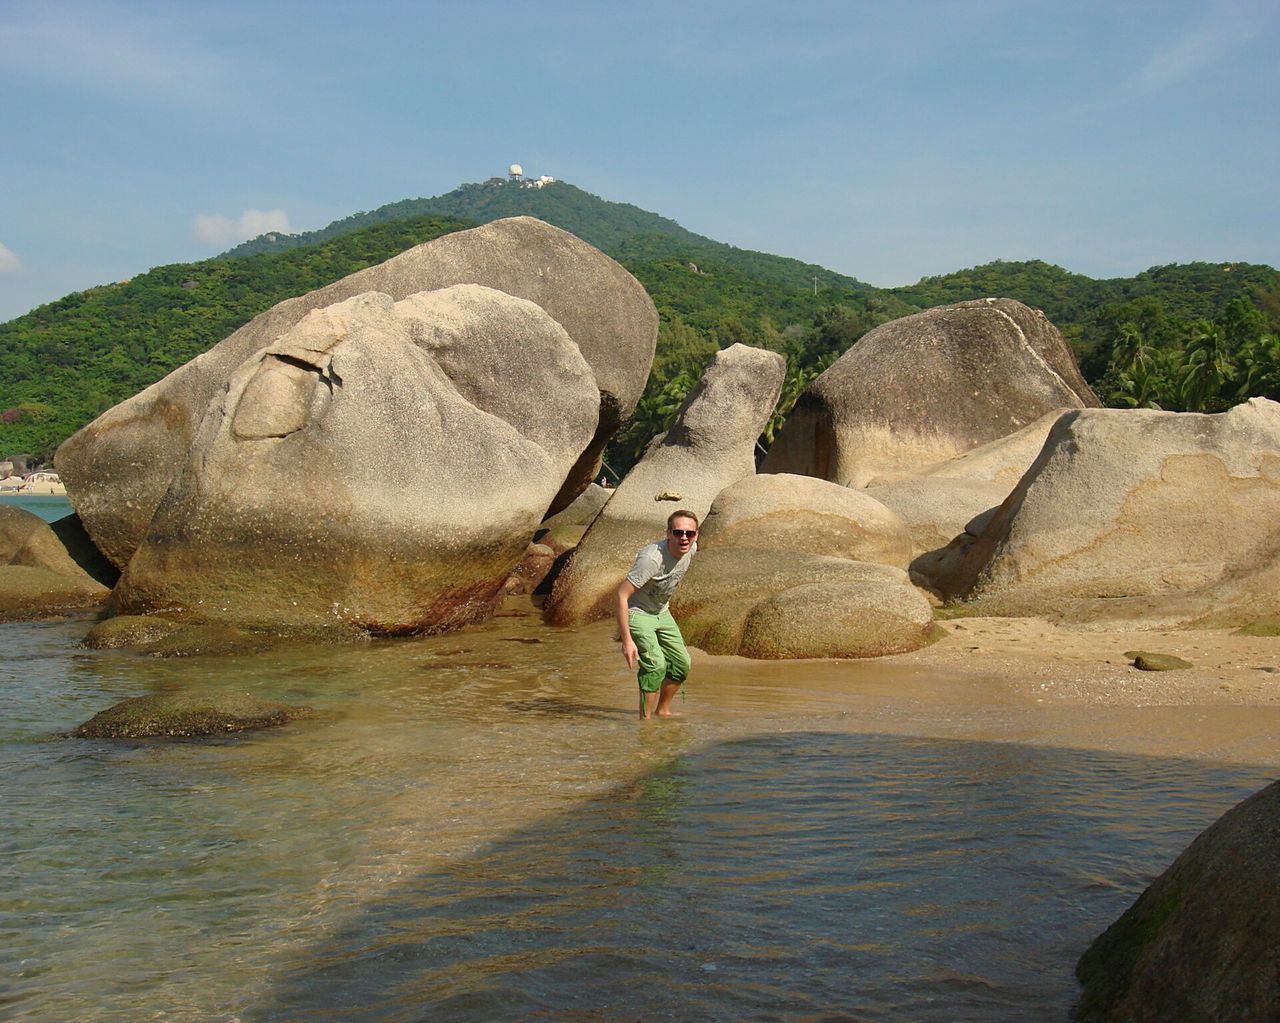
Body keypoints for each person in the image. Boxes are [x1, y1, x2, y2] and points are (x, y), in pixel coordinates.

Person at [616, 510, 699, 719]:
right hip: (638, 612)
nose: (684, 538)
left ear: (696, 535)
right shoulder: (651, 559)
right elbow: (621, 595)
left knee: (681, 664)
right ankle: (645, 722)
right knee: (655, 665)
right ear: (668, 533)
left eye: (689, 533)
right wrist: (626, 640)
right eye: (678, 532)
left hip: (662, 612)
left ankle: (663, 711)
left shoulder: (691, 549)